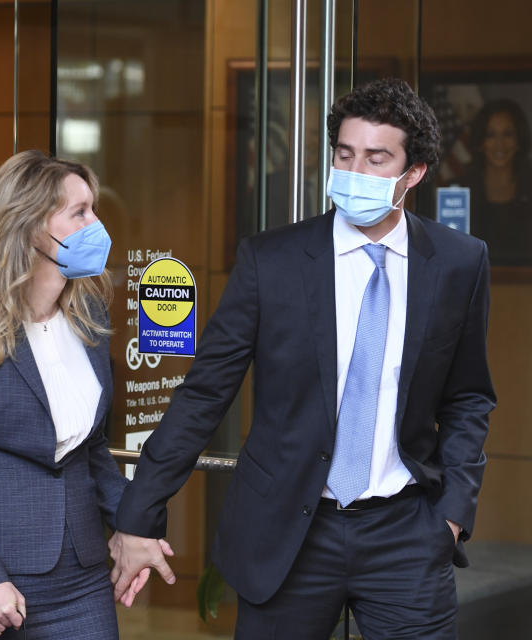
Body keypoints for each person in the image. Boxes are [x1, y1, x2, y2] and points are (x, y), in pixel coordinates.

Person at [109, 78, 496, 639]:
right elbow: (205, 393)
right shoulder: (273, 260)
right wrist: (140, 512)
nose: (354, 171)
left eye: (376, 158)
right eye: (345, 154)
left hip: (406, 533)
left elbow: (467, 396)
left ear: (413, 174)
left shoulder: (460, 263)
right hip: (288, 533)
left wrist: (452, 513)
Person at [0, 150, 131, 639]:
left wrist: (133, 524)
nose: (95, 223)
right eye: (79, 212)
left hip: (82, 578)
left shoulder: (91, 325)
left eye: (93, 208)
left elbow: (92, 448)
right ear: (32, 225)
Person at [461, 99, 532, 266]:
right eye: (490, 135)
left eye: (508, 134)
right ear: (480, 142)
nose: (499, 144)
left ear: (519, 140)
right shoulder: (461, 189)